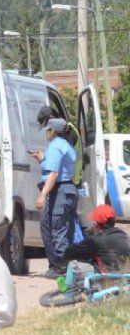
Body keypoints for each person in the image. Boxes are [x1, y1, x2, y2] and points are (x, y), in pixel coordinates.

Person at [33, 117, 79, 278]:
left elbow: (53, 174)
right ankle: (61, 265)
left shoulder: (55, 147)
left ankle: (61, 268)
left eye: (48, 129)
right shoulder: (67, 145)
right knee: (60, 228)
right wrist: (43, 160)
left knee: (57, 230)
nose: (46, 132)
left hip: (59, 192)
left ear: (53, 131)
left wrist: (42, 194)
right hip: (69, 190)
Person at [63, 204, 130, 275]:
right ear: (114, 221)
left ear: (95, 223)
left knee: (73, 264)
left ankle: (74, 286)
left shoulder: (95, 240)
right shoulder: (124, 235)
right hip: (126, 277)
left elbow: (68, 253)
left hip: (109, 279)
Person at [36, 106, 83, 187]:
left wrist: (43, 160)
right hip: (67, 179)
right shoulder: (64, 130)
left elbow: (60, 158)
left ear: (52, 118)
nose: (47, 129)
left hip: (70, 180)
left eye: (47, 125)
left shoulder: (67, 131)